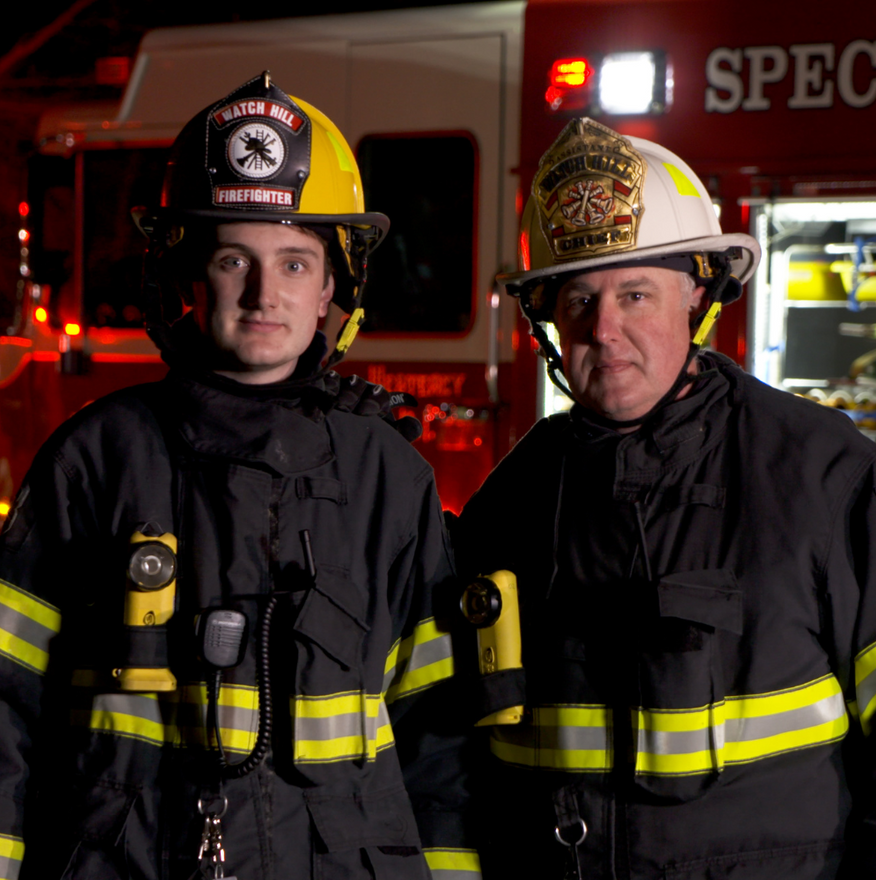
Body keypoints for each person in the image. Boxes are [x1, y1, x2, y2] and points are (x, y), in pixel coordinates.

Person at [0, 73, 480, 880]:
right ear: (189, 275)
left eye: (296, 264)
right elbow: (6, 707)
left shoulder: (389, 478)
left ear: (334, 288)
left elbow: (441, 740)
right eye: (235, 258)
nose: (266, 294)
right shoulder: (96, 459)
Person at [454, 117, 876, 879]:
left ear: (699, 298)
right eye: (578, 300)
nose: (605, 330)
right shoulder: (509, 502)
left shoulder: (824, 475)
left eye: (636, 294)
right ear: (547, 323)